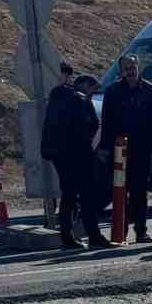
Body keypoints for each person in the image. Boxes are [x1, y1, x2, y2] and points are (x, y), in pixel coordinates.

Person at [42, 64, 113, 251]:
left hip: (59, 156)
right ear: (86, 87)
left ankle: (67, 237)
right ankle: (94, 236)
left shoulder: (55, 99)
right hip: (79, 155)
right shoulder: (80, 99)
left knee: (68, 197)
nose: (92, 95)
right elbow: (90, 126)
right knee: (88, 197)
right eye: (92, 90)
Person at [99, 54, 152, 243]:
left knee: (139, 192)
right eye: (126, 67)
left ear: (138, 66)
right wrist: (105, 147)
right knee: (119, 191)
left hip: (142, 150)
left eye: (133, 66)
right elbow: (107, 121)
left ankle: (141, 231)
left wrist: (149, 143)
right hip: (118, 150)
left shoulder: (151, 91)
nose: (130, 70)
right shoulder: (112, 91)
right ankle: (120, 230)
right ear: (121, 70)